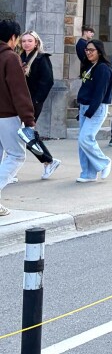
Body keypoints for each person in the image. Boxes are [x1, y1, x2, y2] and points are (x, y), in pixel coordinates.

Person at [0, 20, 36, 214]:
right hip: (6, 116)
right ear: (13, 38)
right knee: (16, 155)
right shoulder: (10, 57)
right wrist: (29, 119)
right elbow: (19, 91)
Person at [16, 30, 61, 179]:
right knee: (21, 135)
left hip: (32, 103)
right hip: (18, 102)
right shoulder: (19, 57)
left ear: (36, 42)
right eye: (24, 41)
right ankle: (48, 161)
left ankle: (48, 161)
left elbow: (47, 81)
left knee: (26, 135)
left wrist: (36, 100)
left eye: (30, 40)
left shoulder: (41, 58)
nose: (26, 43)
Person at [76, 38, 112, 183]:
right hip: (85, 106)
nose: (88, 53)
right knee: (82, 141)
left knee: (85, 138)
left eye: (91, 50)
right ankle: (88, 173)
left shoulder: (103, 68)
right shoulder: (89, 66)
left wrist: (90, 111)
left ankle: (104, 162)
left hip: (96, 108)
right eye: (87, 50)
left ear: (99, 51)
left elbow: (100, 93)